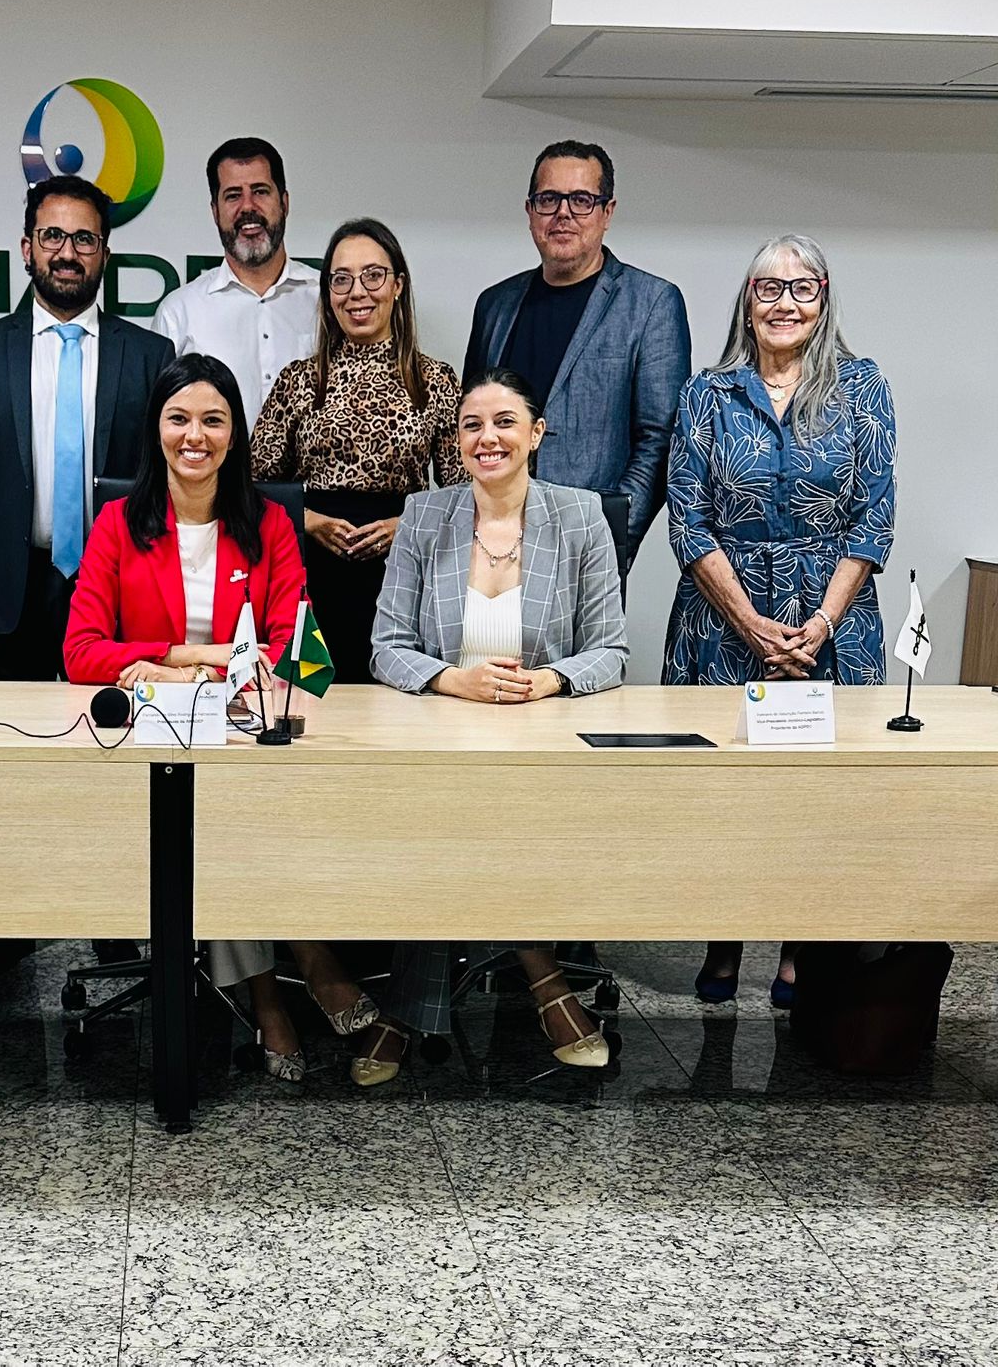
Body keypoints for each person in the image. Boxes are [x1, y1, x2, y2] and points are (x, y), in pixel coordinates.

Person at [64, 354, 379, 1081]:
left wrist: (187, 667)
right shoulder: (118, 524)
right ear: (156, 429)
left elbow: (294, 647)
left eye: (213, 420)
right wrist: (191, 653)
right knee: (209, 819)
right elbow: (81, 650)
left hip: (243, 736)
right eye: (179, 418)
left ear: (235, 434)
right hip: (147, 747)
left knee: (227, 814)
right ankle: (286, 978)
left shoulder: (269, 524)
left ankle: (270, 984)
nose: (195, 436)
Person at [0, 173, 174, 972]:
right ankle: (15, 916)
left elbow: (163, 487)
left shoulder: (149, 355)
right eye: (53, 236)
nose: (68, 252)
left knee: (118, 748)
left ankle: (116, 913)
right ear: (27, 247)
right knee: (18, 760)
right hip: (15, 585)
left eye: (84, 239)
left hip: (116, 593)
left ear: (105, 253)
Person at [361, 367, 627, 1086]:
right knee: (444, 822)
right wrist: (456, 681)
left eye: (505, 422)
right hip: (436, 744)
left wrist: (547, 681)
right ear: (456, 440)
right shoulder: (425, 515)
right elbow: (386, 645)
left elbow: (610, 649)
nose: (488, 438)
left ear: (536, 434)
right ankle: (547, 983)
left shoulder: (580, 516)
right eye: (472, 425)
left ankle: (403, 1011)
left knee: (486, 827)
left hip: (542, 748)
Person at [664, 234, 896, 1009]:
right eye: (769, 288)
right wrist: (751, 624)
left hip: (833, 625)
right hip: (722, 623)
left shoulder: (863, 387)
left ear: (823, 298)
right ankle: (723, 938)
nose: (785, 303)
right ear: (748, 300)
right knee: (727, 793)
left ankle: (800, 945)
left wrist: (819, 623)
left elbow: (873, 520)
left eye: (802, 288)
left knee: (814, 795)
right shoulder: (707, 392)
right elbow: (688, 520)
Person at [252, 217, 464, 684]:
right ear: (328, 293)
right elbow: (250, 489)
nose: (357, 293)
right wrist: (308, 521)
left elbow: (468, 498)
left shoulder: (435, 381)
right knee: (310, 702)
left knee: (398, 703)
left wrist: (407, 526)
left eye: (373, 275)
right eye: (341, 279)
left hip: (404, 574)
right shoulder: (298, 381)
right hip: (309, 575)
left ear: (398, 285)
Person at [461, 140, 689, 571]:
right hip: (490, 548)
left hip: (588, 551)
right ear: (530, 211)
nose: (563, 213)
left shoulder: (652, 303)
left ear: (607, 212)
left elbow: (659, 441)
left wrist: (610, 539)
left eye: (581, 200)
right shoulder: (494, 305)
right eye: (549, 199)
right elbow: (472, 424)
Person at [152, 137, 318, 425]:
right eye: (232, 195)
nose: (247, 207)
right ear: (215, 211)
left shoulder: (327, 299)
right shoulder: (178, 314)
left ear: (284, 203)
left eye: (260, 191)